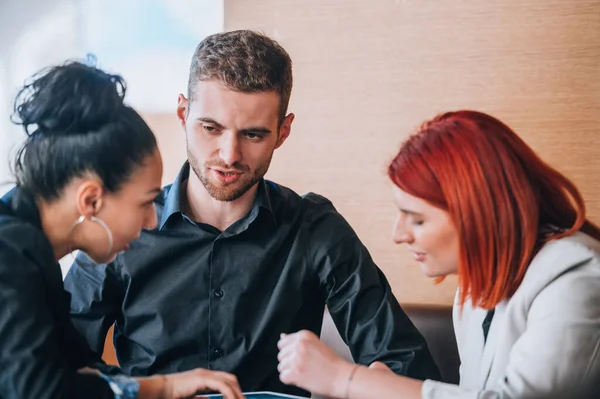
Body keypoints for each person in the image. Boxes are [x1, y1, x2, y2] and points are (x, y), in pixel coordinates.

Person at [64, 30, 440, 396]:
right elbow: (54, 365)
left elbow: (405, 366)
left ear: (283, 131)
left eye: (254, 135)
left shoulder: (315, 227)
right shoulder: (119, 227)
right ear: (183, 113)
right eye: (211, 127)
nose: (229, 155)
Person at [277, 110, 600, 398]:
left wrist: (347, 380)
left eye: (417, 219)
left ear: (479, 212)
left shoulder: (576, 278)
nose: (399, 235)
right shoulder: (474, 293)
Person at [0, 61, 244, 399]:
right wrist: (162, 388)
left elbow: (76, 365)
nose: (153, 221)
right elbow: (42, 391)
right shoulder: (9, 254)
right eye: (145, 203)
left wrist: (169, 387)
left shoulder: (31, 253)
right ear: (91, 200)